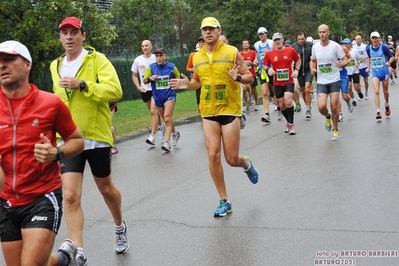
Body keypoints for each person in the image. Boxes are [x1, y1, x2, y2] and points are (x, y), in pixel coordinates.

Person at [50, 17, 130, 265]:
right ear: (60, 37)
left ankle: (119, 226)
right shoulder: (55, 65)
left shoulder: (98, 60)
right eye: (64, 33)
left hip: (95, 137)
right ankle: (79, 249)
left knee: (106, 189)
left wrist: (83, 85)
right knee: (71, 196)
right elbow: (57, 103)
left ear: (83, 36)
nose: (69, 37)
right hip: (68, 140)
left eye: (74, 32)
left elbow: (115, 91)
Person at [0, 40, 84, 266]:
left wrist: (56, 153)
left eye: (9, 59)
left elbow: (77, 141)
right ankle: (64, 258)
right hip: (5, 203)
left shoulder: (51, 103)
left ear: (27, 65)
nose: (2, 65)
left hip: (42, 197)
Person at [169, 17, 259, 217]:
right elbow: (196, 82)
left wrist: (237, 77)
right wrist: (187, 85)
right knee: (212, 154)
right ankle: (224, 200)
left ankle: (246, 164)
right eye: (204, 29)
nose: (207, 32)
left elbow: (250, 78)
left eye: (211, 29)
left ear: (219, 31)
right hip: (208, 111)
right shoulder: (197, 56)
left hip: (229, 109)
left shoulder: (232, 52)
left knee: (231, 158)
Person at [310, 24, 350, 141]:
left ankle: (335, 130)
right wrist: (312, 68)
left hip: (334, 80)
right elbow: (312, 60)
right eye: (320, 32)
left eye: (324, 32)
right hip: (321, 81)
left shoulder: (335, 46)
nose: (322, 34)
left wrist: (341, 64)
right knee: (322, 107)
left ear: (328, 33)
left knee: (334, 106)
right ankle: (327, 116)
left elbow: (346, 60)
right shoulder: (315, 47)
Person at [143, 48, 181, 152]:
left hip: (169, 95)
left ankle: (167, 143)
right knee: (165, 119)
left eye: (161, 55)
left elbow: (178, 77)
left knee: (167, 118)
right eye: (157, 56)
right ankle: (175, 133)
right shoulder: (151, 68)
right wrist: (151, 78)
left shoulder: (172, 67)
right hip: (157, 97)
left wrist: (175, 82)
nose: (159, 58)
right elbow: (145, 81)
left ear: (165, 56)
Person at [263, 33, 301, 135]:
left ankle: (291, 124)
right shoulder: (270, 53)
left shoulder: (291, 50)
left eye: (279, 39)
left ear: (283, 39)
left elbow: (298, 60)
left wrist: (296, 70)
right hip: (277, 82)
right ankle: (288, 122)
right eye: (275, 40)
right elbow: (265, 65)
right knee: (282, 105)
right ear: (273, 42)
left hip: (289, 81)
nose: (277, 42)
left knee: (288, 102)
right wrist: (269, 69)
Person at [132, 40, 165, 146]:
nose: (144, 48)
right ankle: (162, 126)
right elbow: (134, 75)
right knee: (155, 113)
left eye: (146, 45)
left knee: (153, 111)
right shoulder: (138, 60)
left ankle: (152, 136)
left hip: (156, 88)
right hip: (144, 89)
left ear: (151, 47)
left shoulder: (155, 58)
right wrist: (138, 87)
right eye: (142, 46)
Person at [219, 35, 247, 129]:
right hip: (221, 86)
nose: (222, 43)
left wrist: (237, 76)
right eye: (220, 41)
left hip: (235, 83)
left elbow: (245, 72)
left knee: (237, 99)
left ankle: (239, 115)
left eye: (224, 41)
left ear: (227, 42)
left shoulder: (233, 53)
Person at [366, 31, 394, 121]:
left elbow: (392, 57)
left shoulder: (384, 47)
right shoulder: (368, 48)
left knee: (385, 91)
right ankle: (378, 111)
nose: (374, 40)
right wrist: (368, 66)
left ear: (379, 39)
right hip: (375, 73)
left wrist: (389, 62)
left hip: (384, 72)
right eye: (373, 38)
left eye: (376, 38)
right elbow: (369, 58)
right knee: (376, 91)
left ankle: (386, 104)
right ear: (370, 39)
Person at [254, 27, 277, 124]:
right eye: (259, 34)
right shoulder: (256, 44)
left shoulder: (271, 43)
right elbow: (257, 55)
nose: (261, 35)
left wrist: (269, 53)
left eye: (262, 34)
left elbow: (276, 54)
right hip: (262, 71)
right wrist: (256, 60)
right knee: (264, 92)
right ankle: (267, 114)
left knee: (275, 90)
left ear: (266, 33)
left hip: (271, 69)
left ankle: (278, 106)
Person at [292, 32, 314, 119]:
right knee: (304, 91)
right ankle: (308, 105)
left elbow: (314, 57)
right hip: (299, 72)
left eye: (302, 39)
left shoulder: (310, 45)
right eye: (299, 39)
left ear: (306, 38)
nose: (301, 41)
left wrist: (313, 67)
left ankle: (308, 109)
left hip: (308, 70)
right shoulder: (294, 47)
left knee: (308, 89)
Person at [186, 36, 205, 114]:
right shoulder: (193, 55)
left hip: (208, 79)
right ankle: (201, 115)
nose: (201, 44)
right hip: (197, 80)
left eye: (203, 42)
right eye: (200, 42)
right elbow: (187, 68)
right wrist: (194, 69)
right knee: (199, 98)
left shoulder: (211, 54)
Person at [240, 39, 259, 112]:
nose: (245, 45)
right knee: (244, 89)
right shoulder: (240, 54)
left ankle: (256, 103)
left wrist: (252, 63)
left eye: (246, 43)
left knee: (254, 89)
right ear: (242, 45)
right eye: (243, 44)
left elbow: (256, 63)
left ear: (249, 45)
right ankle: (247, 104)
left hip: (252, 74)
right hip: (243, 74)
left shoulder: (253, 53)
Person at [355, 35, 370, 100]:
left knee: (366, 81)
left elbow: (368, 56)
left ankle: (366, 92)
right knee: (358, 82)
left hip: (364, 66)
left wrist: (368, 66)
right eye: (356, 39)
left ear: (361, 40)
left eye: (358, 39)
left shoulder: (365, 47)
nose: (357, 41)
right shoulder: (354, 47)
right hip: (357, 67)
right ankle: (359, 93)